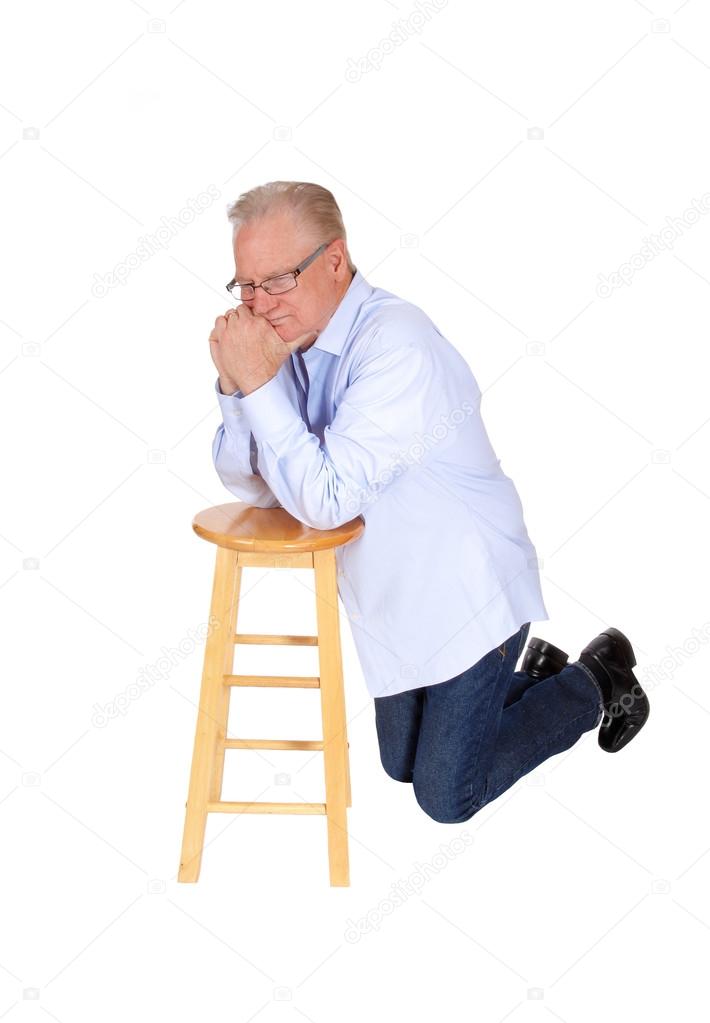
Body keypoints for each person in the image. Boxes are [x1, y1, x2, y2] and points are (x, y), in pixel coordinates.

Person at [207, 179, 650, 824]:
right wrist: (236, 384)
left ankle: (594, 680)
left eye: (276, 280)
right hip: (395, 597)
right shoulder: (292, 345)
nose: (258, 306)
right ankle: (535, 682)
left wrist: (259, 383)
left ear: (334, 261)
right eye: (245, 286)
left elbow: (325, 502)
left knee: (446, 796)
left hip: (469, 592)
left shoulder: (396, 343)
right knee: (401, 763)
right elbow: (250, 484)